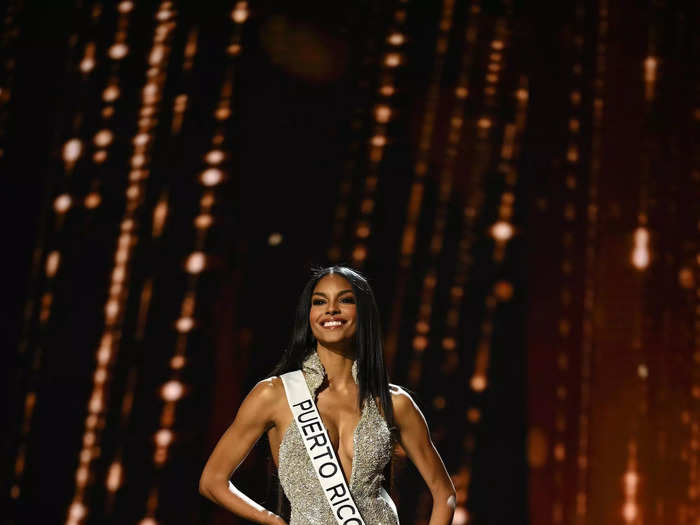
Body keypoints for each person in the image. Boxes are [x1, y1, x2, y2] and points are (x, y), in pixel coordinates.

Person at [198, 265, 456, 524]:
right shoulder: (275, 394)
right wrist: (273, 521)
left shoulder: (394, 402)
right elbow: (212, 482)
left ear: (364, 313)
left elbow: (444, 492)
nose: (331, 309)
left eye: (345, 300)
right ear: (309, 316)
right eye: (320, 301)